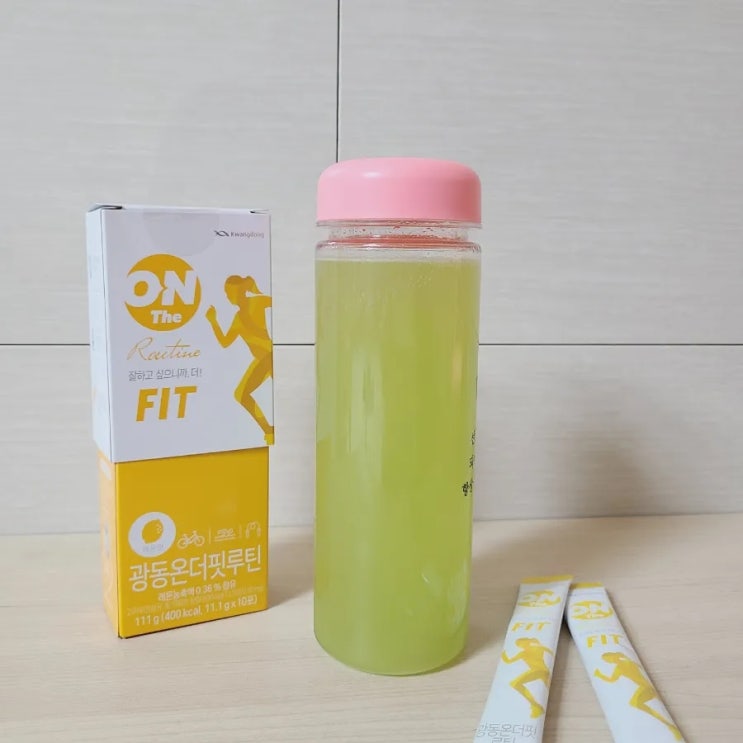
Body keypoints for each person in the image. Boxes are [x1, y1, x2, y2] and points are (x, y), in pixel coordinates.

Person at [206, 275, 274, 444]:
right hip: (262, 359)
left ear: (239, 290)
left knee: (246, 394)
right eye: (226, 293)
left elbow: (282, 303)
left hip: (270, 356)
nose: (227, 296)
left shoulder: (257, 302)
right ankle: (269, 430)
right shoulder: (237, 319)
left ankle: (271, 431)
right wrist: (213, 321)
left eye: (228, 292)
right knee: (241, 394)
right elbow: (225, 342)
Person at [501, 637, 553, 718]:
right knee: (548, 689)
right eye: (519, 645)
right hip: (545, 671)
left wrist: (503, 653)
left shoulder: (525, 653)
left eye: (521, 643)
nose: (521, 646)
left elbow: (508, 661)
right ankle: (536, 707)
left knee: (515, 684)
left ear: (527, 642)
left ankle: (536, 706)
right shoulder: (538, 648)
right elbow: (551, 653)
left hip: (538, 671)